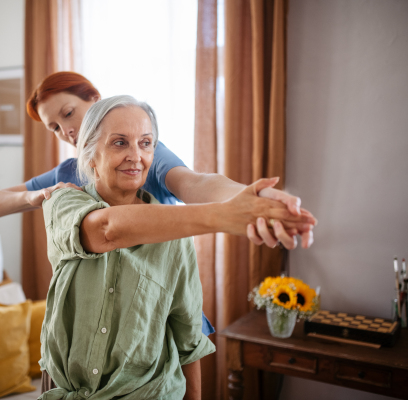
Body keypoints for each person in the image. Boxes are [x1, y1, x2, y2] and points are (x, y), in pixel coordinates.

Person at [39, 96, 313, 400]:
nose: (135, 155)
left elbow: (187, 333)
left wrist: (253, 201)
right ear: (90, 155)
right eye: (119, 143)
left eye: (145, 143)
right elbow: (107, 230)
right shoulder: (62, 203)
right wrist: (226, 215)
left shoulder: (174, 232)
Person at [0, 72, 316, 250]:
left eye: (69, 114)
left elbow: (194, 183)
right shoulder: (67, 175)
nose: (67, 131)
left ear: (95, 100)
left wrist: (249, 198)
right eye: (54, 127)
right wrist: (32, 197)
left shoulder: (141, 156)